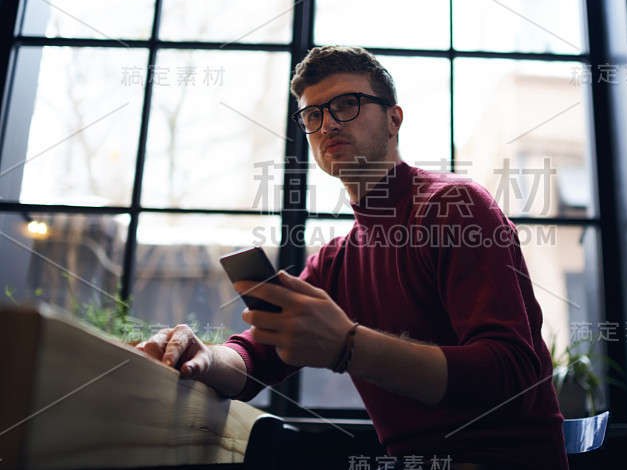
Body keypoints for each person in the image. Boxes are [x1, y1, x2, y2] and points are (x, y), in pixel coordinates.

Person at [137, 46, 568, 469]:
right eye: (313, 115)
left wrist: (349, 346)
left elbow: (512, 376)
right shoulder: (334, 261)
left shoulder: (455, 205)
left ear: (393, 119)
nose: (327, 124)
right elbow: (254, 360)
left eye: (347, 104)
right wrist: (204, 357)